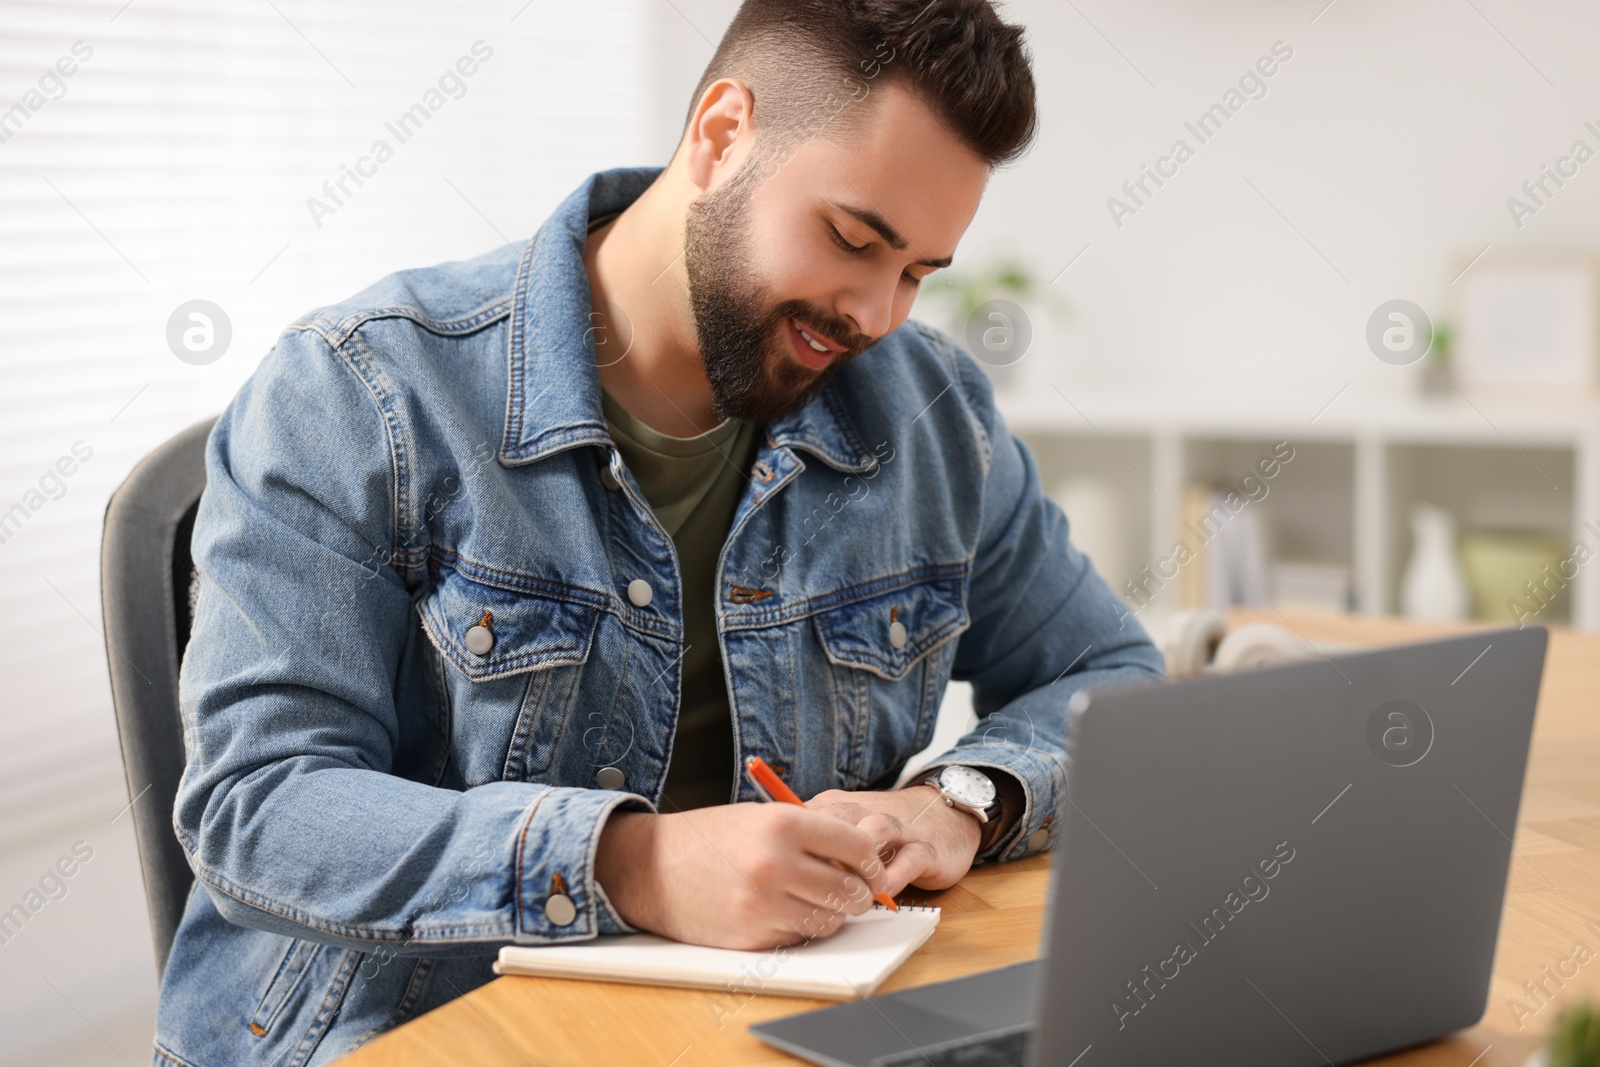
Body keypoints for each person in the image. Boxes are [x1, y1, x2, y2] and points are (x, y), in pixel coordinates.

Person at [153, 1, 1165, 1064]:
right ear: (722, 134)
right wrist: (628, 863)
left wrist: (962, 798)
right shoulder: (359, 392)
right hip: (409, 1031)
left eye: (916, 272)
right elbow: (259, 806)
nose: (875, 313)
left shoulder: (929, 413)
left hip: (758, 1027)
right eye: (853, 239)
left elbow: (1106, 669)